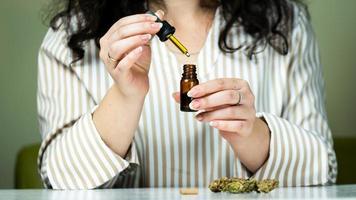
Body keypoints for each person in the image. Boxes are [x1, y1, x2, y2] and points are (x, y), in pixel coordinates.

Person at [37, 0, 337, 189]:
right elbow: (62, 179)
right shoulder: (69, 36)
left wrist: (253, 135)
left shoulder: (284, 22)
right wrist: (125, 96)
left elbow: (322, 172)